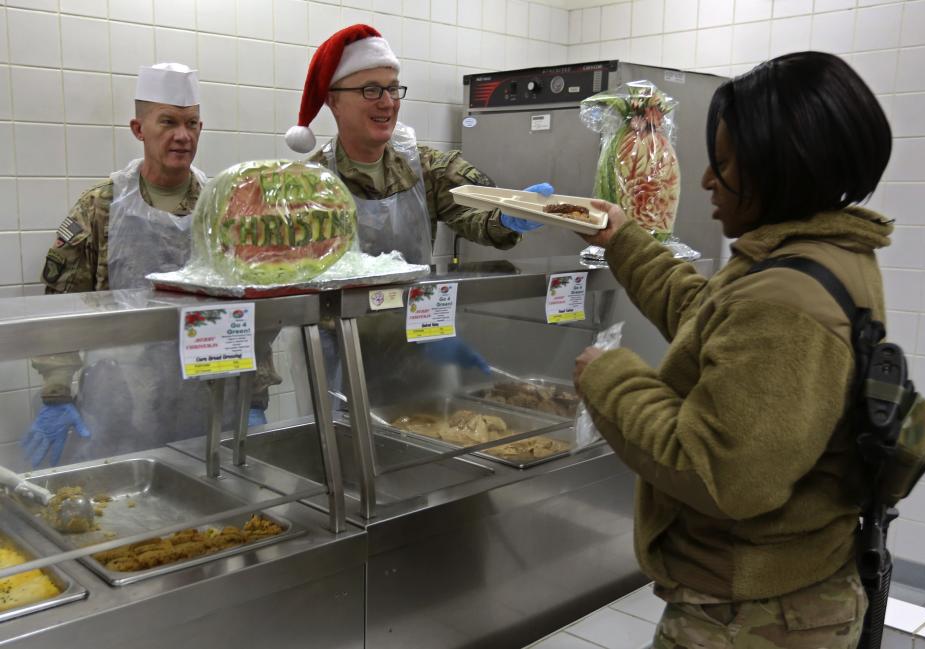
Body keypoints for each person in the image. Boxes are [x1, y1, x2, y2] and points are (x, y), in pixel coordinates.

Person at [573, 51, 892, 649]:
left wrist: (608, 377)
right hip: (782, 590)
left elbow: (718, 469)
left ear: (780, 168)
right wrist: (623, 237)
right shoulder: (820, 255)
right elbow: (710, 321)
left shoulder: (787, 299)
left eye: (723, 164)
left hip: (755, 616)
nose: (704, 181)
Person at [24, 63, 279, 468]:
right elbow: (62, 305)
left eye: (192, 123)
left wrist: (256, 395)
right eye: (169, 122)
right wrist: (56, 393)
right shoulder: (102, 207)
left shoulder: (224, 209)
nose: (183, 135)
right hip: (121, 403)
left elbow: (251, 311)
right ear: (138, 129)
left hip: (210, 395)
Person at [283, 24, 549, 387]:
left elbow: (474, 212)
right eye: (370, 89)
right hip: (338, 357)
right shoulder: (308, 186)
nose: (388, 102)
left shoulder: (424, 168)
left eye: (393, 88)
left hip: (418, 343)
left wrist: (507, 216)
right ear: (333, 100)